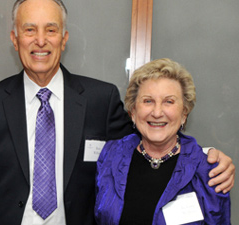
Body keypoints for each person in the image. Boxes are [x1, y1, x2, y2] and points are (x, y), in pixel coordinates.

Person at [0, 0, 234, 225]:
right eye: (30, 30)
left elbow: (151, 135)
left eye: (51, 30)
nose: (40, 40)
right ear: (14, 38)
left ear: (64, 39)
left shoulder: (100, 99)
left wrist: (206, 155)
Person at [95, 58, 231, 224]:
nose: (157, 112)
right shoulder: (111, 156)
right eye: (148, 101)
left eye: (169, 101)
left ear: (184, 113)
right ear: (133, 111)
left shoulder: (208, 172)